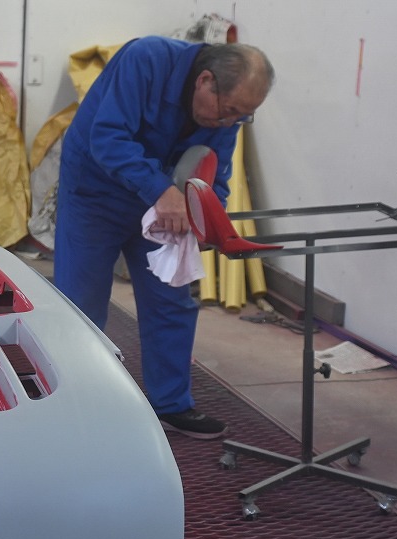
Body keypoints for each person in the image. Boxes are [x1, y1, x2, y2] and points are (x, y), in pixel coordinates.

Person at [54, 35, 275, 439]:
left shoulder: (225, 115)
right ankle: (76, 399)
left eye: (243, 117)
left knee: (171, 298)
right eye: (229, 111)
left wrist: (209, 220)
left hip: (163, 203)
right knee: (80, 302)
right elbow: (108, 138)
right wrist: (161, 191)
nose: (229, 123)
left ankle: (171, 403)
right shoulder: (146, 60)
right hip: (95, 193)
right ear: (205, 81)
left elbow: (215, 171)